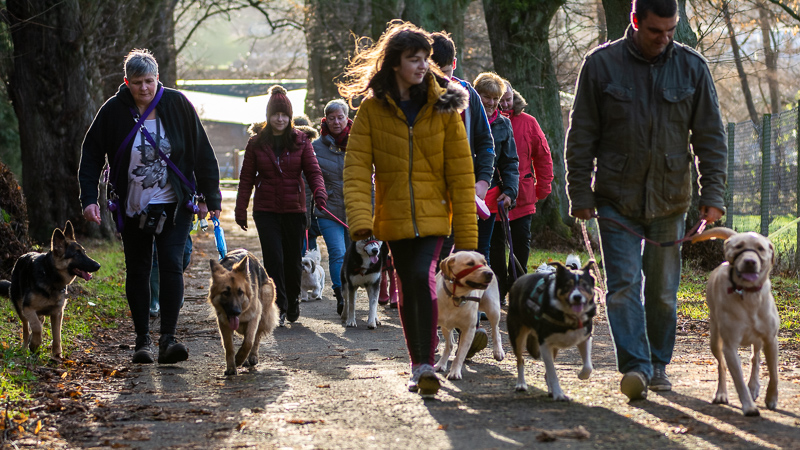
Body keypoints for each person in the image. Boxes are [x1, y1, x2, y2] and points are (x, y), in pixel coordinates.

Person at [565, 0, 727, 401]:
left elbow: (710, 137)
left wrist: (714, 195)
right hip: (614, 199)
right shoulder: (600, 65)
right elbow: (581, 133)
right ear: (635, 21)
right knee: (623, 287)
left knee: (661, 292)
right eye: (656, 30)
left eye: (671, 30)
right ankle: (635, 367)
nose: (665, 38)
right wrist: (580, 192)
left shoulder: (692, 67)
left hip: (671, 199)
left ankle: (658, 364)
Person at [339, 21, 477, 398]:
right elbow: (355, 170)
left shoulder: (445, 106)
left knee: (419, 275)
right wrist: (361, 222)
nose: (421, 66)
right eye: (413, 59)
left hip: (436, 216)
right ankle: (419, 365)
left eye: (425, 59)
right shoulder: (372, 110)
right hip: (393, 218)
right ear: (395, 63)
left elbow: (462, 173)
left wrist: (467, 238)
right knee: (406, 284)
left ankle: (425, 364)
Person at [79, 49, 221, 365]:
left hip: (174, 205)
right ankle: (142, 340)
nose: (144, 88)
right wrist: (89, 198)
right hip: (133, 208)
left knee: (171, 264)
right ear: (126, 82)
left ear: (158, 79)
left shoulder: (178, 105)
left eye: (149, 81)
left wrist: (211, 198)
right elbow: (90, 155)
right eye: (138, 83)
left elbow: (202, 152)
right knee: (139, 269)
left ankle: (168, 339)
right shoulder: (113, 111)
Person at [235, 85, 327, 327]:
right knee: (274, 259)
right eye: (275, 114)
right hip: (266, 211)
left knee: (292, 261)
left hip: (294, 210)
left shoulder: (301, 141)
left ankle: (294, 298)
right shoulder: (256, 143)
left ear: (290, 116)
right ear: (268, 116)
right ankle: (281, 305)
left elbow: (313, 171)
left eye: (284, 115)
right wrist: (240, 208)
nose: (280, 119)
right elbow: (246, 178)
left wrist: (319, 192)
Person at [429, 31, 496, 357]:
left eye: (446, 69)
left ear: (454, 64)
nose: (442, 76)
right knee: (434, 269)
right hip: (429, 202)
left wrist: (482, 182)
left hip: (467, 197)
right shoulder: (415, 97)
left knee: (469, 263)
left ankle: (472, 327)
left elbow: (485, 143)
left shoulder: (468, 96)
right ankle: (440, 336)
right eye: (434, 69)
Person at [491, 81, 553, 302]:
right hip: (493, 196)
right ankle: (496, 292)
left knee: (520, 245)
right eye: (501, 100)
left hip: (524, 196)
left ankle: (518, 288)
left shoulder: (528, 122)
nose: (505, 103)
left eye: (508, 99)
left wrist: (543, 187)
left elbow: (543, 156)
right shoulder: (486, 121)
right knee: (495, 246)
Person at [311, 99, 353, 314]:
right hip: (328, 209)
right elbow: (308, 178)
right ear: (325, 119)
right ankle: (341, 296)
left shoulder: (360, 142)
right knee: (337, 253)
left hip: (356, 209)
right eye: (332, 118)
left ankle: (351, 294)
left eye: (340, 117)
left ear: (347, 118)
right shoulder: (315, 147)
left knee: (352, 255)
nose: (337, 122)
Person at [472, 72, 519, 261]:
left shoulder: (503, 124)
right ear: (476, 95)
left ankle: (482, 288)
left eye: (495, 98)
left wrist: (510, 191)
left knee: (483, 248)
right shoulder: (464, 119)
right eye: (486, 97)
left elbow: (509, 161)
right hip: (461, 191)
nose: (491, 103)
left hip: (489, 194)